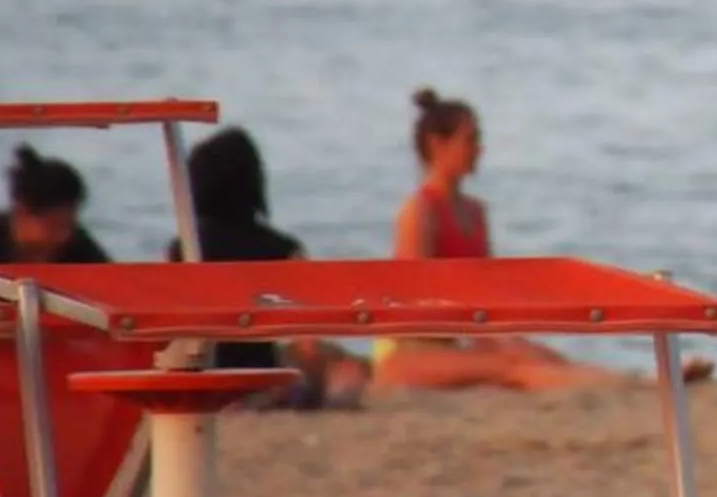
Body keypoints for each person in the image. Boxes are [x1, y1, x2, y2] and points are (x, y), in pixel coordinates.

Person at [370, 90, 611, 393]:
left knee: (529, 352)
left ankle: (634, 382)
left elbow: (488, 294)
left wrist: (497, 332)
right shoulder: (420, 211)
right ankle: (614, 385)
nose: (478, 150)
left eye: (478, 140)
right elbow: (412, 305)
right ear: (437, 144)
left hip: (463, 337)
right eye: (469, 140)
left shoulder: (475, 213)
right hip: (415, 349)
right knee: (510, 364)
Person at [168, 125, 368, 410]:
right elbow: (308, 342)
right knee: (347, 365)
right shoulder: (281, 248)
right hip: (263, 383)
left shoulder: (182, 249)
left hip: (200, 378)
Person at [0, 147, 109, 289]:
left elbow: (110, 289)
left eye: (70, 224)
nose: (65, 235)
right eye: (54, 226)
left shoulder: (81, 248)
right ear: (23, 211)